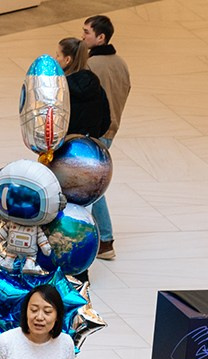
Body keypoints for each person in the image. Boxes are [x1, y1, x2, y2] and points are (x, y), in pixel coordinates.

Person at [83, 14, 129, 259]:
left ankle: (102, 241)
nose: (83, 36)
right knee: (93, 184)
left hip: (93, 131)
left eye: (87, 32)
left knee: (90, 186)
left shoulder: (91, 66)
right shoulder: (121, 63)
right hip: (111, 129)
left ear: (101, 37)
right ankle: (103, 240)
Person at [57, 36, 112, 149]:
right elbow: (106, 120)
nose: (55, 59)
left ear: (67, 60)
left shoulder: (62, 90)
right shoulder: (96, 86)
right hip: (89, 147)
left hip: (65, 149)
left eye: (58, 55)